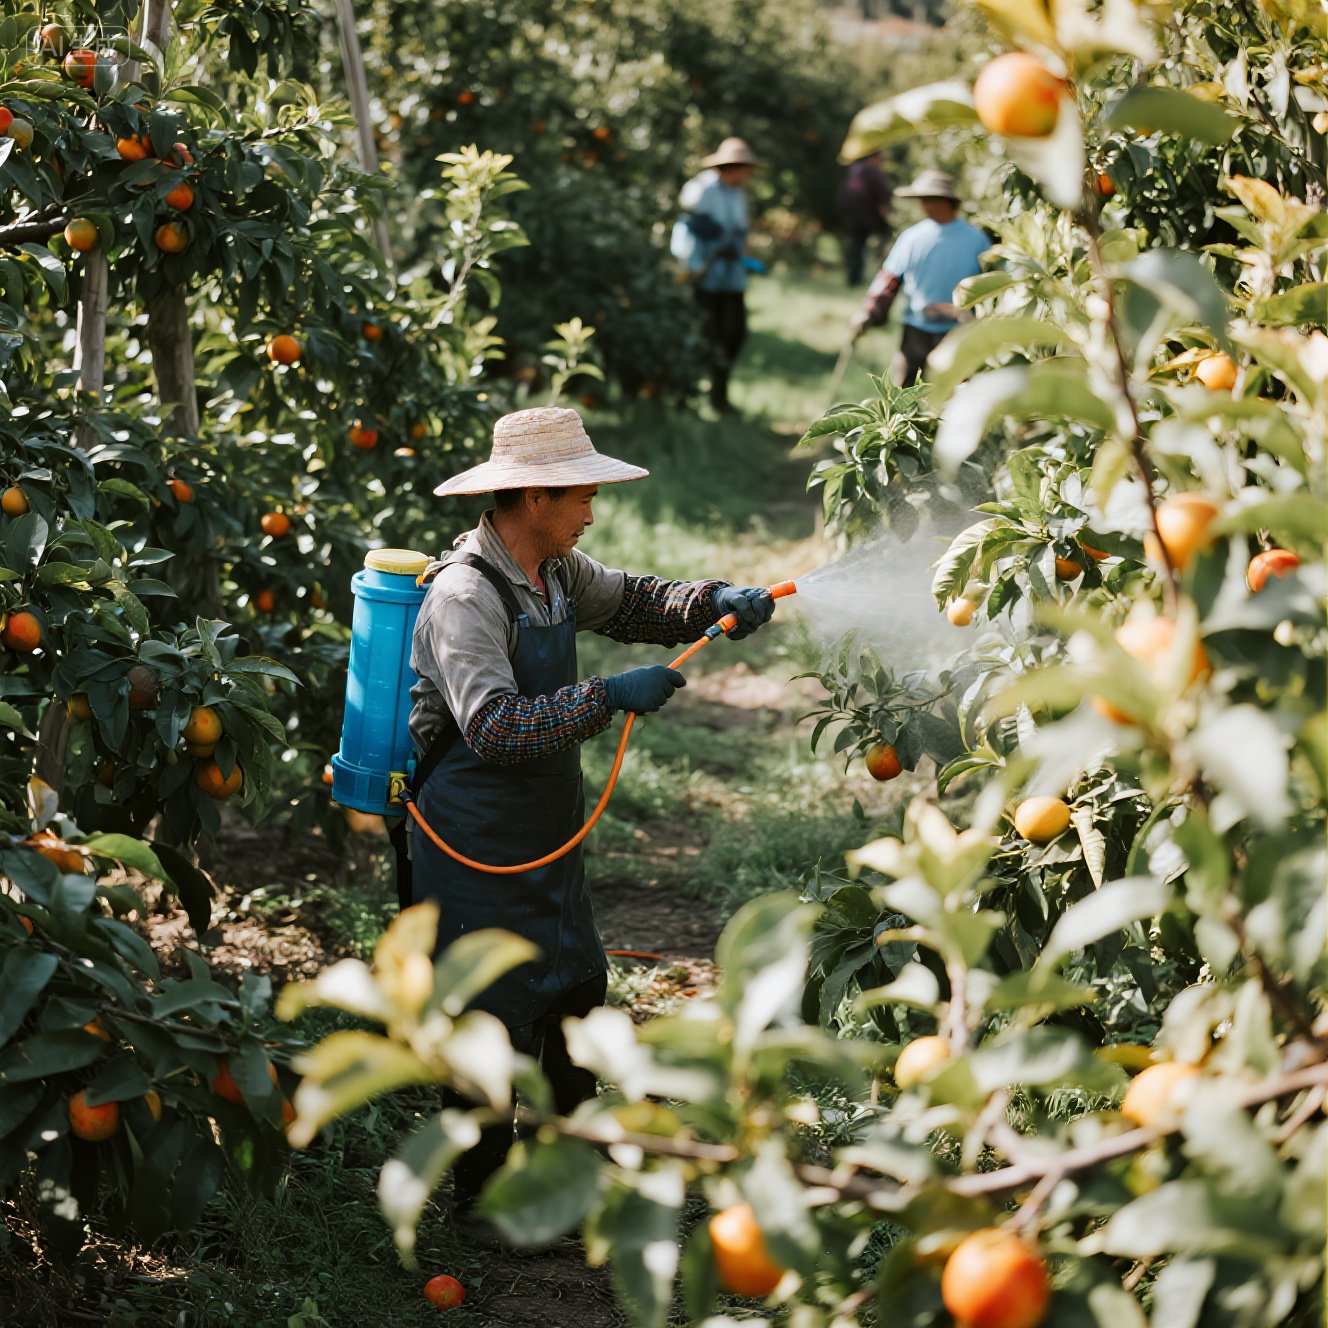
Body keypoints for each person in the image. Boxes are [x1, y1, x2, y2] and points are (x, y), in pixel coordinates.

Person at [403, 405, 776, 1220]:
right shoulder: (465, 595)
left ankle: (560, 1184)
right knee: (489, 1024)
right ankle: (481, 1203)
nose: (591, 512)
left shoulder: (555, 572)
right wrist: (605, 695)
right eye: (581, 496)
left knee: (574, 992)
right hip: (472, 846)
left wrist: (713, 600)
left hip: (544, 837)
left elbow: (635, 602)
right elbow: (495, 728)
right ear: (534, 497)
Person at [849, 169, 990, 387]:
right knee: (905, 393)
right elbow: (890, 280)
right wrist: (869, 311)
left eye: (926, 199)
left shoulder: (977, 240)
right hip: (917, 328)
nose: (924, 205)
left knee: (954, 393)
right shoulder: (913, 237)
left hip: (959, 331)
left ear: (940, 201)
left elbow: (991, 283)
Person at [670, 137, 760, 413]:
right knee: (707, 336)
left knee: (735, 334)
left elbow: (737, 230)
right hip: (705, 276)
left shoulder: (737, 193)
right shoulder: (702, 190)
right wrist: (691, 265)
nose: (749, 175)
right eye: (745, 168)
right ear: (731, 167)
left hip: (731, 276)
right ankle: (689, 397)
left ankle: (719, 394)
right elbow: (686, 229)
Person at [836, 149, 893, 286]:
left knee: (856, 246)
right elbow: (881, 198)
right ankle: (861, 277)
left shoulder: (854, 170)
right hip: (865, 217)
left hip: (851, 216)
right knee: (863, 246)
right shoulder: (873, 173)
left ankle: (853, 277)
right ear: (873, 157)